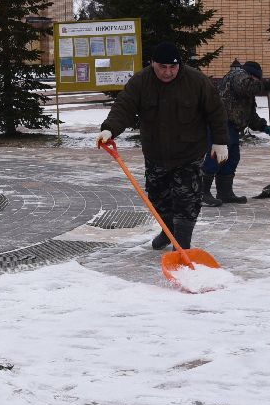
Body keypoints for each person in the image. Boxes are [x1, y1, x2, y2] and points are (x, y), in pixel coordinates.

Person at [97, 41, 229, 250]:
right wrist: (109, 129)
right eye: (163, 67)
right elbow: (124, 106)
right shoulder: (141, 82)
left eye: (173, 67)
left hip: (189, 152)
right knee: (158, 198)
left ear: (179, 65)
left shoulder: (196, 81)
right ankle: (168, 231)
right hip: (156, 152)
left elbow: (216, 111)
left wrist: (220, 141)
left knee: (187, 199)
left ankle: (181, 243)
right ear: (153, 64)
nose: (168, 72)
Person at [200, 59, 270, 206]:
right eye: (256, 79)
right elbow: (245, 86)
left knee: (232, 158)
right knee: (217, 156)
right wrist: (263, 85)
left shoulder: (246, 88)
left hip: (232, 127)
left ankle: (225, 193)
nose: (256, 82)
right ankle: (202, 193)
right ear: (251, 75)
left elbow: (249, 115)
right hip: (220, 123)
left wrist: (263, 126)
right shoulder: (238, 75)